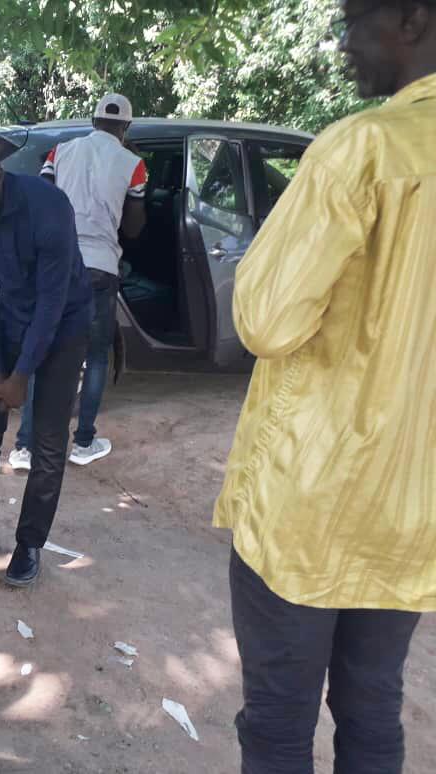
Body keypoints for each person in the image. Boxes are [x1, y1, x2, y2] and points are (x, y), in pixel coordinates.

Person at [214, 1, 436, 772]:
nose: (341, 42)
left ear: (410, 20)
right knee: (373, 704)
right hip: (414, 506)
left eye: (352, 20)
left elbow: (267, 321)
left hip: (311, 503)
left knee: (279, 719)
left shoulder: (364, 148)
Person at [0, 134, 92, 587]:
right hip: (8, 320)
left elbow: (52, 300)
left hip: (64, 324)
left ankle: (29, 544)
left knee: (47, 441)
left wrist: (23, 375)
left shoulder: (48, 208)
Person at [10, 94, 147, 472]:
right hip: (100, 268)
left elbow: (40, 200)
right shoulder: (133, 165)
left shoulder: (59, 153)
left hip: (56, 263)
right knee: (97, 354)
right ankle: (84, 442)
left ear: (93, 119)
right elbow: (134, 228)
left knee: (41, 352)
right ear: (126, 127)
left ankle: (24, 447)